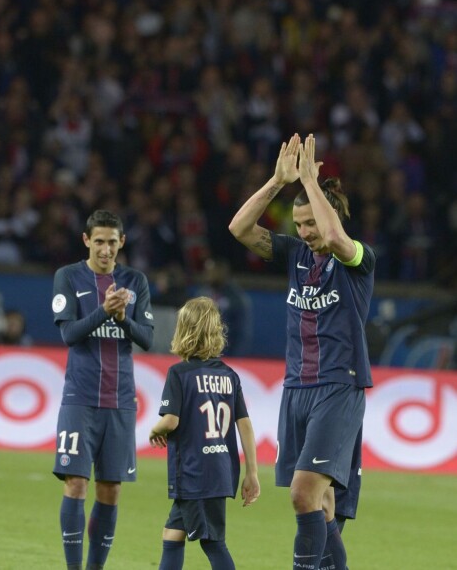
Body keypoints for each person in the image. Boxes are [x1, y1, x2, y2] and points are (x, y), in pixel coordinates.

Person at [228, 133, 375, 570]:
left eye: (311, 223)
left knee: (302, 494)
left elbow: (334, 234)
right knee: (323, 506)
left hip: (338, 387)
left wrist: (311, 181)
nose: (306, 232)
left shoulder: (359, 259)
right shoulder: (294, 254)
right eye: (300, 225)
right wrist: (278, 181)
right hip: (297, 389)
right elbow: (238, 229)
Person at [51, 209, 154, 570]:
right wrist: (104, 312)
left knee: (110, 490)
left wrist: (124, 318)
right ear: (86, 241)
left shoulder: (135, 281)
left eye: (112, 242)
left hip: (120, 402)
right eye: (99, 242)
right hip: (79, 399)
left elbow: (148, 339)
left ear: (122, 242)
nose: (106, 250)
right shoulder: (68, 277)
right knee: (76, 484)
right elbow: (68, 334)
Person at [149, 296, 260, 570]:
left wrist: (155, 429)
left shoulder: (179, 374)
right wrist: (252, 472)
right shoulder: (229, 375)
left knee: (212, 542)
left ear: (183, 330)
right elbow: (244, 424)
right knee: (172, 534)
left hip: (194, 471)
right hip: (220, 469)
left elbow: (170, 421)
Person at [195, 256, 252, 357]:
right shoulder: (202, 294)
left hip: (227, 354)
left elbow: (242, 332)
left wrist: (236, 358)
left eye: (212, 271)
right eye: (207, 271)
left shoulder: (236, 298)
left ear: (222, 272)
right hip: (203, 355)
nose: (208, 275)